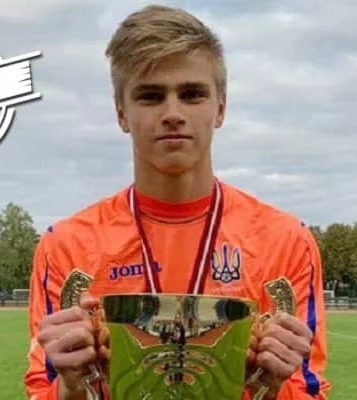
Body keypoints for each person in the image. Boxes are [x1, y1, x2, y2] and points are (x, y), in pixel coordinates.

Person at [24, 5, 330, 400]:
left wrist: (272, 388)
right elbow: (41, 390)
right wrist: (70, 385)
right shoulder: (66, 246)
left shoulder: (286, 242)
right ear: (122, 113)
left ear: (221, 108)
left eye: (191, 95)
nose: (173, 113)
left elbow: (309, 391)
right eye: (151, 96)